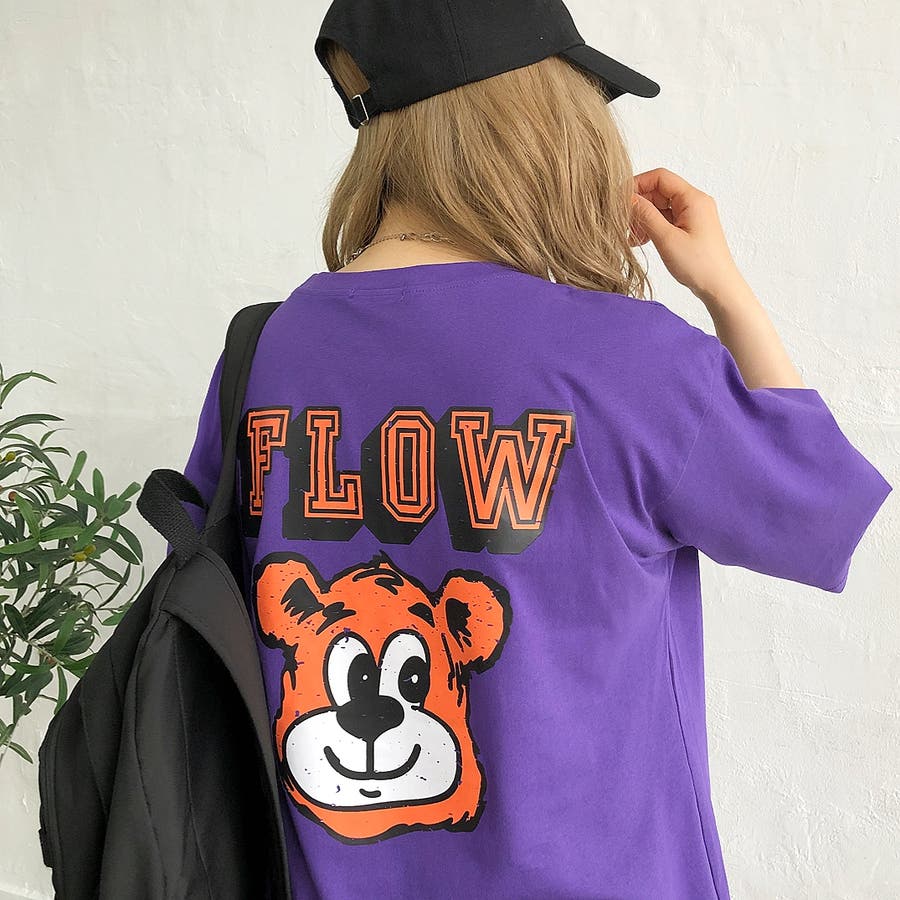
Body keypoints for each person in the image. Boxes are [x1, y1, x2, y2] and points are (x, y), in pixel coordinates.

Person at [177, 1, 892, 897]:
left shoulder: (267, 350)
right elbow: (821, 514)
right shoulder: (625, 358)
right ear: (538, 117)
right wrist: (726, 289)